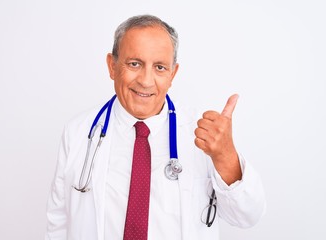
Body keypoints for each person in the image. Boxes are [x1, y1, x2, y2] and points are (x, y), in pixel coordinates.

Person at [45, 14, 266, 240]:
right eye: (134, 64)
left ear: (173, 74)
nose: (146, 80)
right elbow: (58, 223)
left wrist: (225, 155)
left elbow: (247, 216)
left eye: (159, 67)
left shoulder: (203, 133)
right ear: (112, 66)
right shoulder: (78, 133)